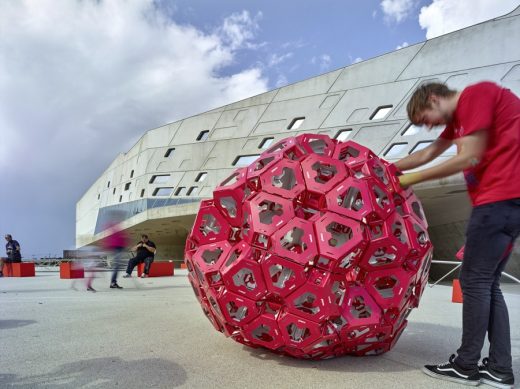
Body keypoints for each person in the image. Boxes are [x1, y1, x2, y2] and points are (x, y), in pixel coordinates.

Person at [395, 81, 520, 388]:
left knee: (474, 283)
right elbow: (430, 152)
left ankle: (466, 365)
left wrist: (410, 179)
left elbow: (470, 157)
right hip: (509, 205)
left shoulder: (476, 95)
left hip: (497, 201)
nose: (429, 126)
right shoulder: (459, 120)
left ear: (434, 99)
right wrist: (384, 168)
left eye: (426, 118)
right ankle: (500, 369)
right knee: (489, 285)